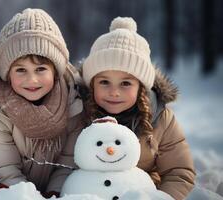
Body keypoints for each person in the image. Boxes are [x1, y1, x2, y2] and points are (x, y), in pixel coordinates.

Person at [82, 17, 196, 200]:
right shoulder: (79, 113)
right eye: (104, 82)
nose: (114, 92)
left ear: (141, 87)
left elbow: (179, 171)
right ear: (92, 84)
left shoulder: (161, 118)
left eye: (125, 83)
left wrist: (161, 198)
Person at [0, 8, 85, 197]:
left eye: (40, 69)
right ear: (7, 74)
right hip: (14, 193)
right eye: (21, 70)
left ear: (55, 70)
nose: (32, 79)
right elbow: (2, 168)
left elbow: (69, 162)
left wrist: (55, 193)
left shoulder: (73, 102)